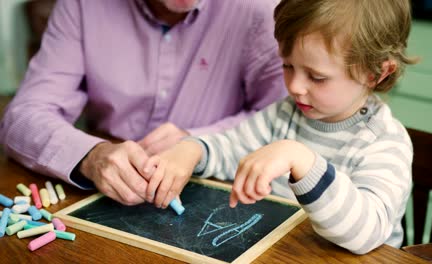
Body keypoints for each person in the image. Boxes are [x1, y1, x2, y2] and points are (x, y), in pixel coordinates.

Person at [142, 0, 419, 254]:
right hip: (285, 254)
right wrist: (193, 149)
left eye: (317, 77)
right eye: (288, 66)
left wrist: (302, 160)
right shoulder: (285, 113)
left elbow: (366, 234)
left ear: (376, 73)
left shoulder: (385, 141)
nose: (295, 87)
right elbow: (232, 147)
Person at [0, 0, 286, 206]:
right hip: (105, 196)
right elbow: (23, 116)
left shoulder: (263, 11)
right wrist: (92, 156)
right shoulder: (82, 6)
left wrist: (197, 143)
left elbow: (286, 122)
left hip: (223, 192)